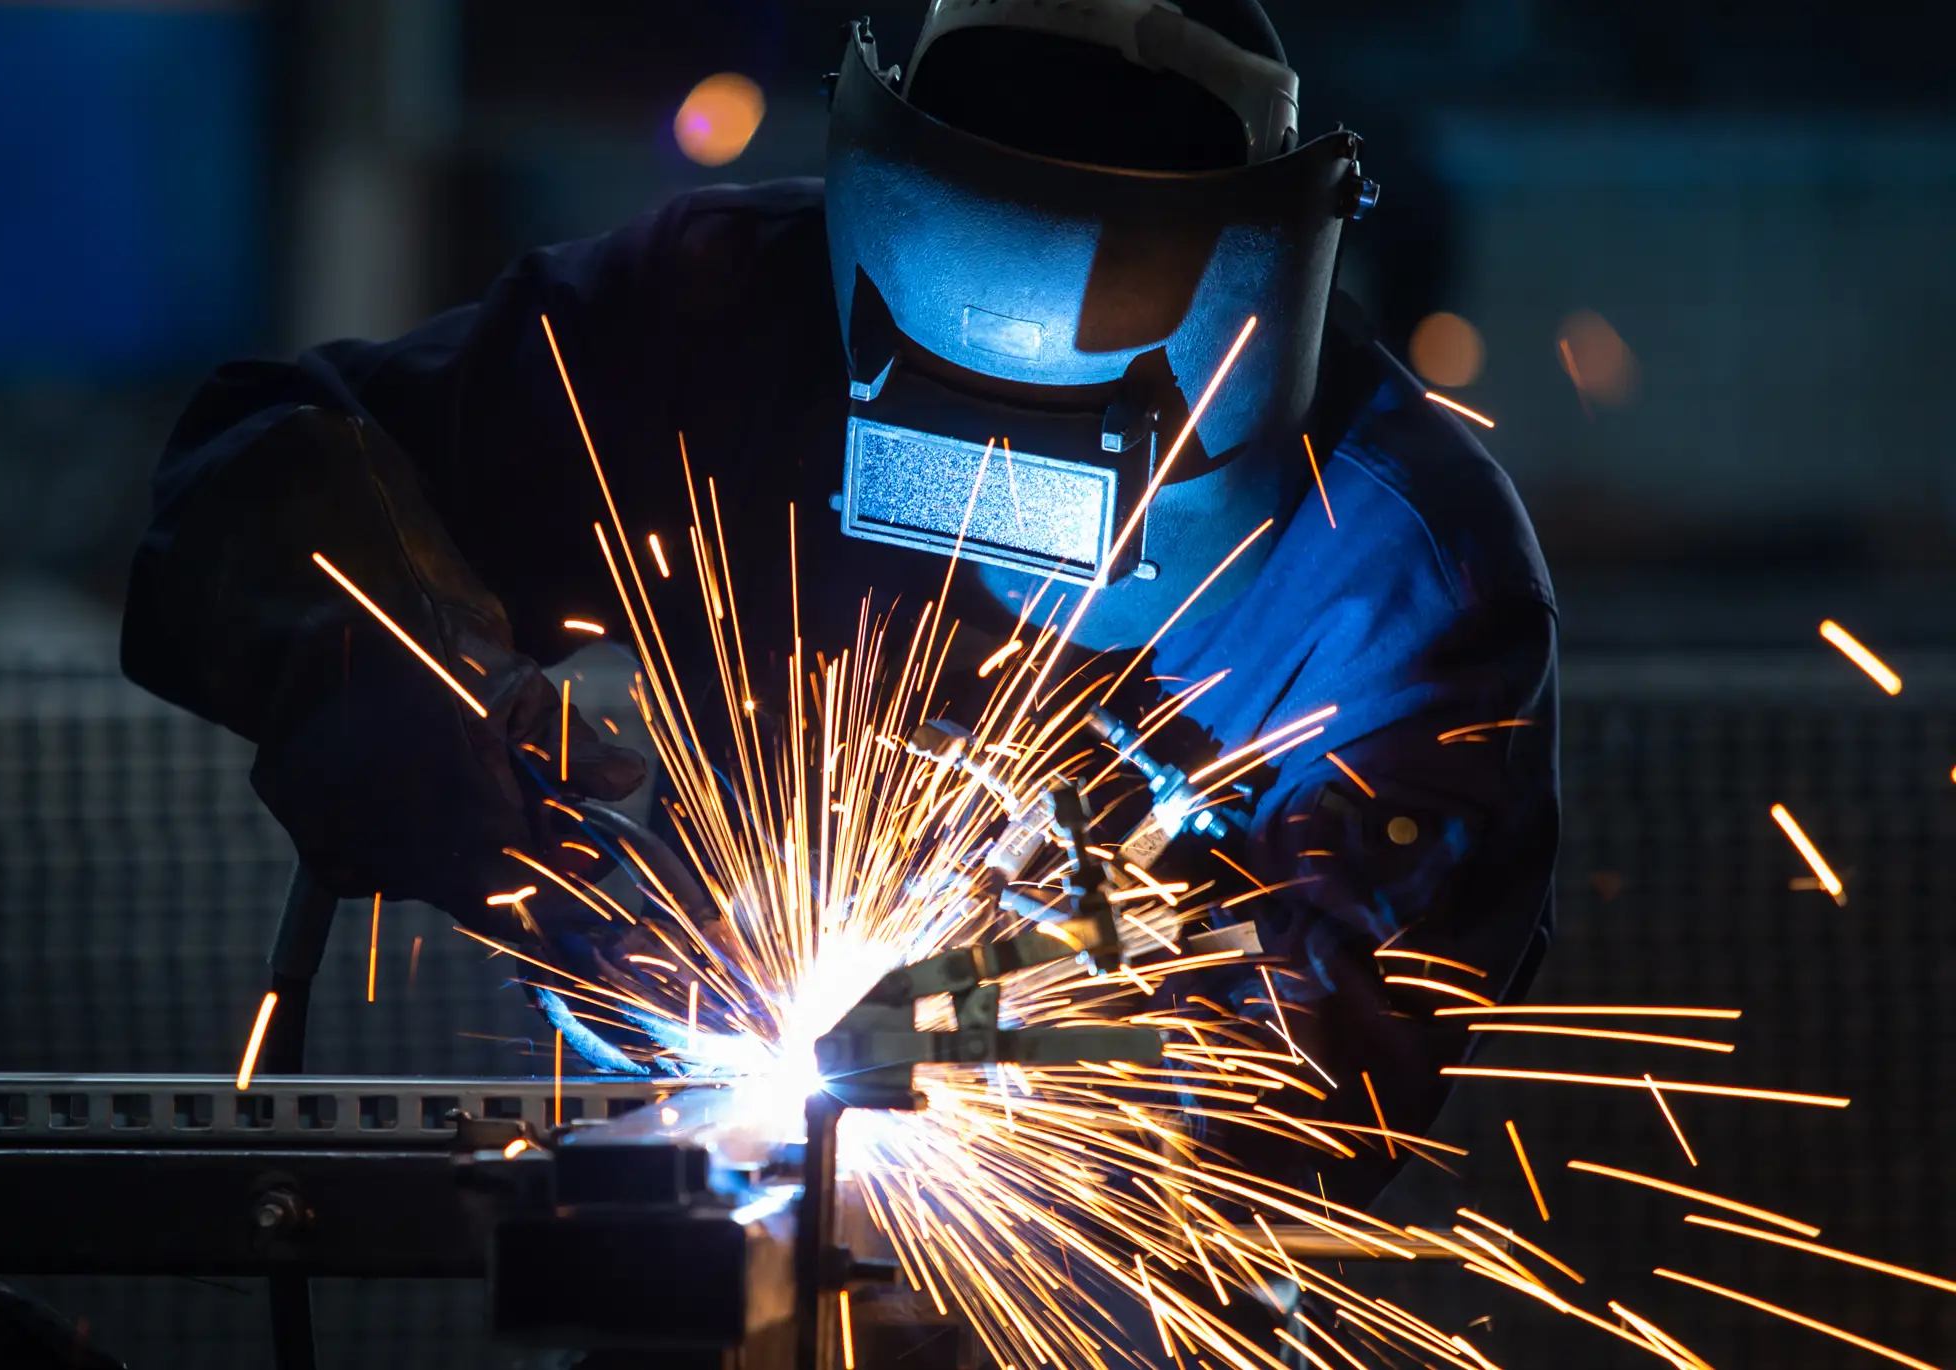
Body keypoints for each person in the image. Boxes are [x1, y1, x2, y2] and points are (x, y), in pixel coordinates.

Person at [121, 0, 1556, 1218]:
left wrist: (1025, 1025)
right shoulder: (719, 321)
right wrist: (444, 727)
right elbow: (261, 464)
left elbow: (1315, 1071)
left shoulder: (1406, 578)